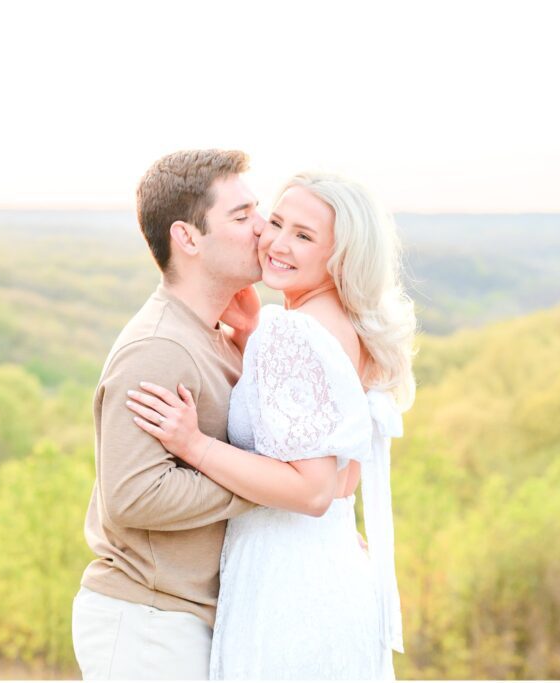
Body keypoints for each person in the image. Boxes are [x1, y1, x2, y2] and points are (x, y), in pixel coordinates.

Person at [127, 172, 417, 679]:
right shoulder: (347, 326)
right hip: (332, 567)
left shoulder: (294, 331)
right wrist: (250, 342)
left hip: (286, 577)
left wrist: (194, 445)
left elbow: (312, 490)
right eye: (275, 223)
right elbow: (338, 475)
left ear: (341, 254)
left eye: (304, 236)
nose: (277, 244)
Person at [72, 149, 269, 680]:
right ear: (187, 238)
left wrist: (249, 341)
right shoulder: (160, 348)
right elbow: (134, 494)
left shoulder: (212, 335)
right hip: (148, 624)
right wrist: (269, 486)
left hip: (182, 620)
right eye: (241, 215)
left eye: (258, 209)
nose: (262, 226)